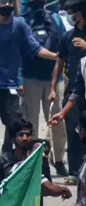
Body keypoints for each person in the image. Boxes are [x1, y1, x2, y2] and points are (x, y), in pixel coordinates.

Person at [0, 0, 58, 171]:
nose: (6, 4)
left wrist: (57, 56)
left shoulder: (20, 26)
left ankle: (6, 158)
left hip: (9, 84)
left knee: (15, 122)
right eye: (2, 1)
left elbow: (35, 48)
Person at [21, 0, 66, 173]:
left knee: (56, 119)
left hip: (54, 78)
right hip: (30, 77)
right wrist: (19, 80)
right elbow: (21, 50)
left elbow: (63, 43)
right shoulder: (23, 21)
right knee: (30, 119)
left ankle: (58, 158)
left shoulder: (55, 19)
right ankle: (30, 157)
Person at [50, 0, 86, 181]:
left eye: (74, 12)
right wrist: (53, 88)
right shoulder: (68, 36)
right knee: (73, 134)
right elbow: (60, 61)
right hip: (74, 92)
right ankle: (75, 172)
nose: (71, 16)